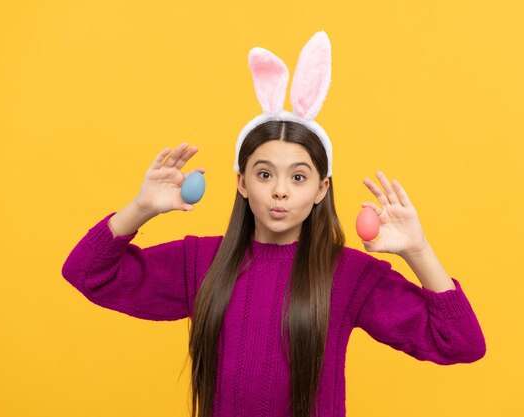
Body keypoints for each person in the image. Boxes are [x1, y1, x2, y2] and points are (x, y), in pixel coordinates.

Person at [62, 31, 486, 417]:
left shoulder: (351, 275)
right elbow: (86, 272)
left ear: (321, 189)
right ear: (242, 183)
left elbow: (462, 344)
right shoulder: (202, 262)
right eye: (265, 174)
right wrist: (141, 208)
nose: (280, 191)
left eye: (298, 177)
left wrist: (418, 250)